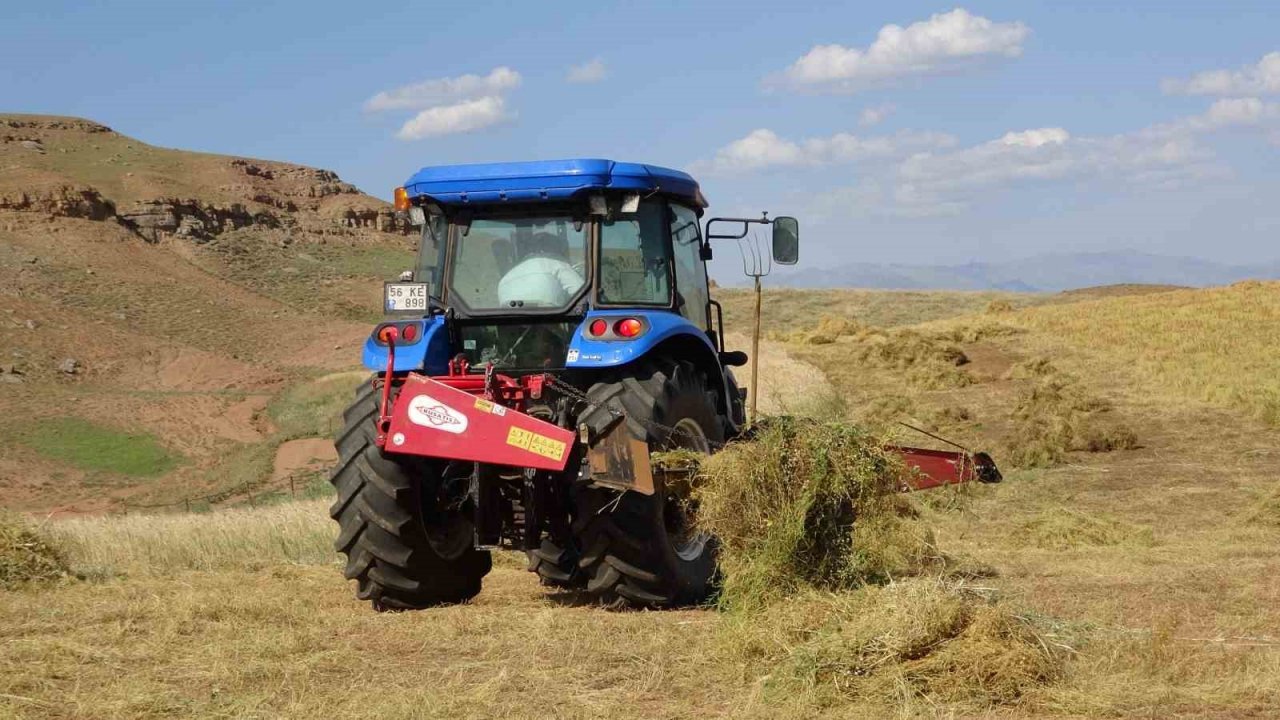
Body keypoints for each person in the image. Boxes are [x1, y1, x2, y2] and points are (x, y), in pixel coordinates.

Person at [497, 232, 585, 307]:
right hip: (549, 321)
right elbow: (583, 294)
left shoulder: (505, 279)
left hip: (510, 325)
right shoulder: (556, 265)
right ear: (555, 249)